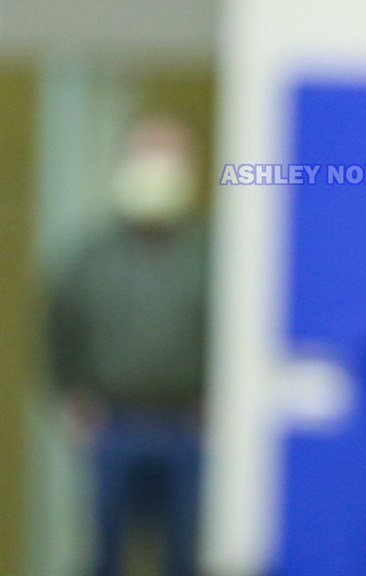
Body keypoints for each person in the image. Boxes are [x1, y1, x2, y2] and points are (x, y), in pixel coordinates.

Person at [47, 116, 209, 576]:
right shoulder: (89, 254)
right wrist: (70, 395)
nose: (158, 168)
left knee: (185, 552)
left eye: (170, 155)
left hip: (188, 430)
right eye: (147, 154)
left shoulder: (209, 253)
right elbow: (60, 327)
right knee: (104, 552)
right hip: (112, 427)